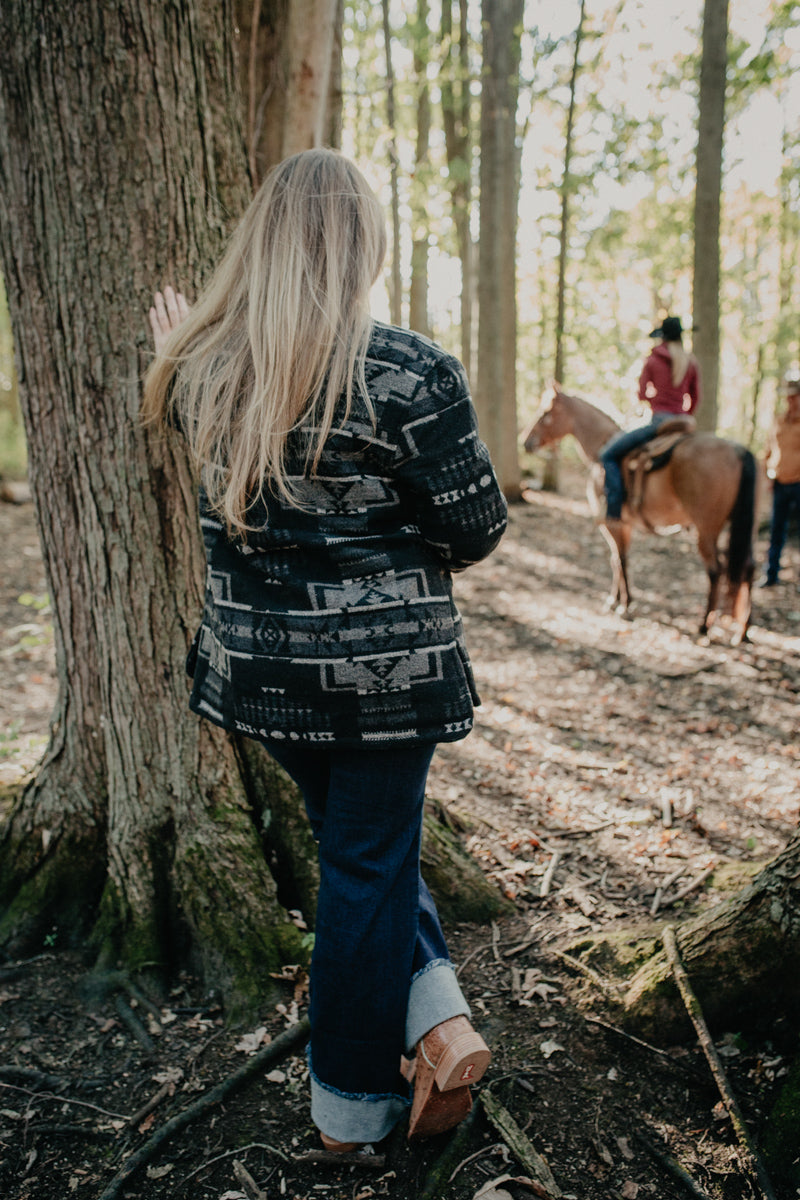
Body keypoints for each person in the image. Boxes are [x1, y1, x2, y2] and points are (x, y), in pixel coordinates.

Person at [143, 149, 507, 1152]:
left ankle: (436, 1023)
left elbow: (183, 396)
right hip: (382, 688)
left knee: (364, 858)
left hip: (261, 681)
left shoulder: (202, 368)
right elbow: (475, 528)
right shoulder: (410, 370)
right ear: (364, 244)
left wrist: (176, 348)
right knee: (366, 865)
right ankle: (350, 1106)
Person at [600, 316, 700, 522]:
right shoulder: (690, 362)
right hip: (682, 422)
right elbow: (695, 398)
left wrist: (658, 400)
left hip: (659, 421)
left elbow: (642, 395)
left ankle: (613, 511)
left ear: (661, 337)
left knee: (608, 455)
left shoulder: (653, 360)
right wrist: (684, 416)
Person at [759, 377, 800, 587]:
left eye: (795, 397)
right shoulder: (779, 420)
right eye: (789, 397)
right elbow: (768, 449)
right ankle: (771, 574)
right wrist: (767, 474)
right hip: (780, 483)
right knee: (776, 531)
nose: (791, 401)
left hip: (799, 483)